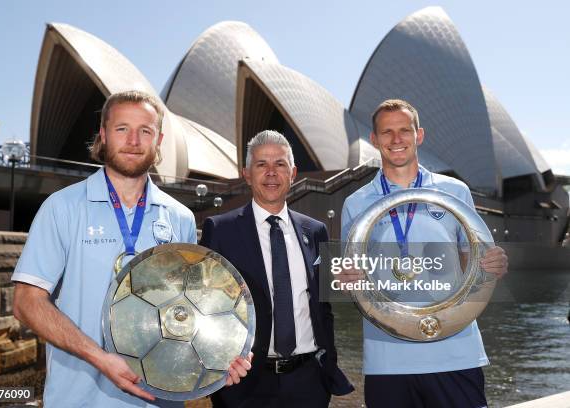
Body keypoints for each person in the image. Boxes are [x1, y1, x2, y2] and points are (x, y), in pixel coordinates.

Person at [12, 90, 251, 408]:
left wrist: (220, 359)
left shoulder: (179, 217)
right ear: (103, 135)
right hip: (79, 400)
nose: (133, 140)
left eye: (145, 131)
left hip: (158, 401)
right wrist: (100, 358)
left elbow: (189, 310)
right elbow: (26, 304)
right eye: (122, 128)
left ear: (159, 139)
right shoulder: (62, 208)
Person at [341, 99, 508, 408]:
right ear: (374, 139)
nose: (396, 139)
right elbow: (352, 275)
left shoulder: (455, 191)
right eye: (386, 132)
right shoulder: (355, 202)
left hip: (455, 351)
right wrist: (345, 277)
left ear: (419, 135)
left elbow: (471, 262)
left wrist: (491, 265)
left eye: (404, 130)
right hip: (388, 358)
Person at [200, 130, 353, 408]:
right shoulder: (220, 230)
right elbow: (205, 306)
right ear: (246, 173)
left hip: (309, 382)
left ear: (293, 173)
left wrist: (328, 362)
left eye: (279, 164)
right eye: (261, 164)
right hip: (245, 383)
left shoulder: (315, 230)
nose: (271, 173)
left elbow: (323, 305)